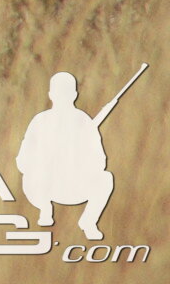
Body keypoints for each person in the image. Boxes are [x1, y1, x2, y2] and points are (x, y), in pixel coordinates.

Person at [20, 72, 116, 241]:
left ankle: (88, 221)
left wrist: (77, 160)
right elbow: (23, 160)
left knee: (105, 179)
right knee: (33, 175)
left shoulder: (84, 122)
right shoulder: (40, 121)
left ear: (74, 95)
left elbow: (100, 161)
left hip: (74, 186)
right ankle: (45, 209)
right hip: (44, 188)